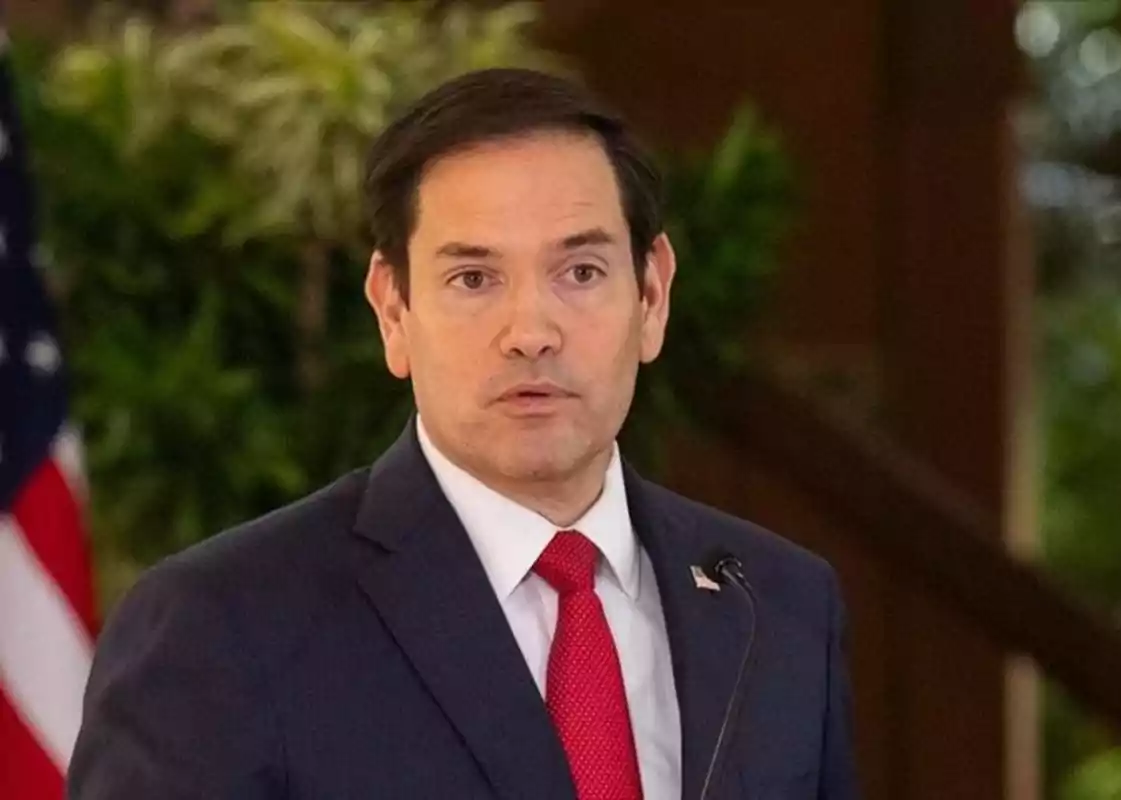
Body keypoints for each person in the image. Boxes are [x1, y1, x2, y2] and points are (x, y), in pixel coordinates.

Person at [68, 68, 858, 800]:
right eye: (473, 279)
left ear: (651, 295)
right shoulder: (223, 625)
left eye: (579, 272)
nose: (531, 332)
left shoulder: (778, 606)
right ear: (392, 310)